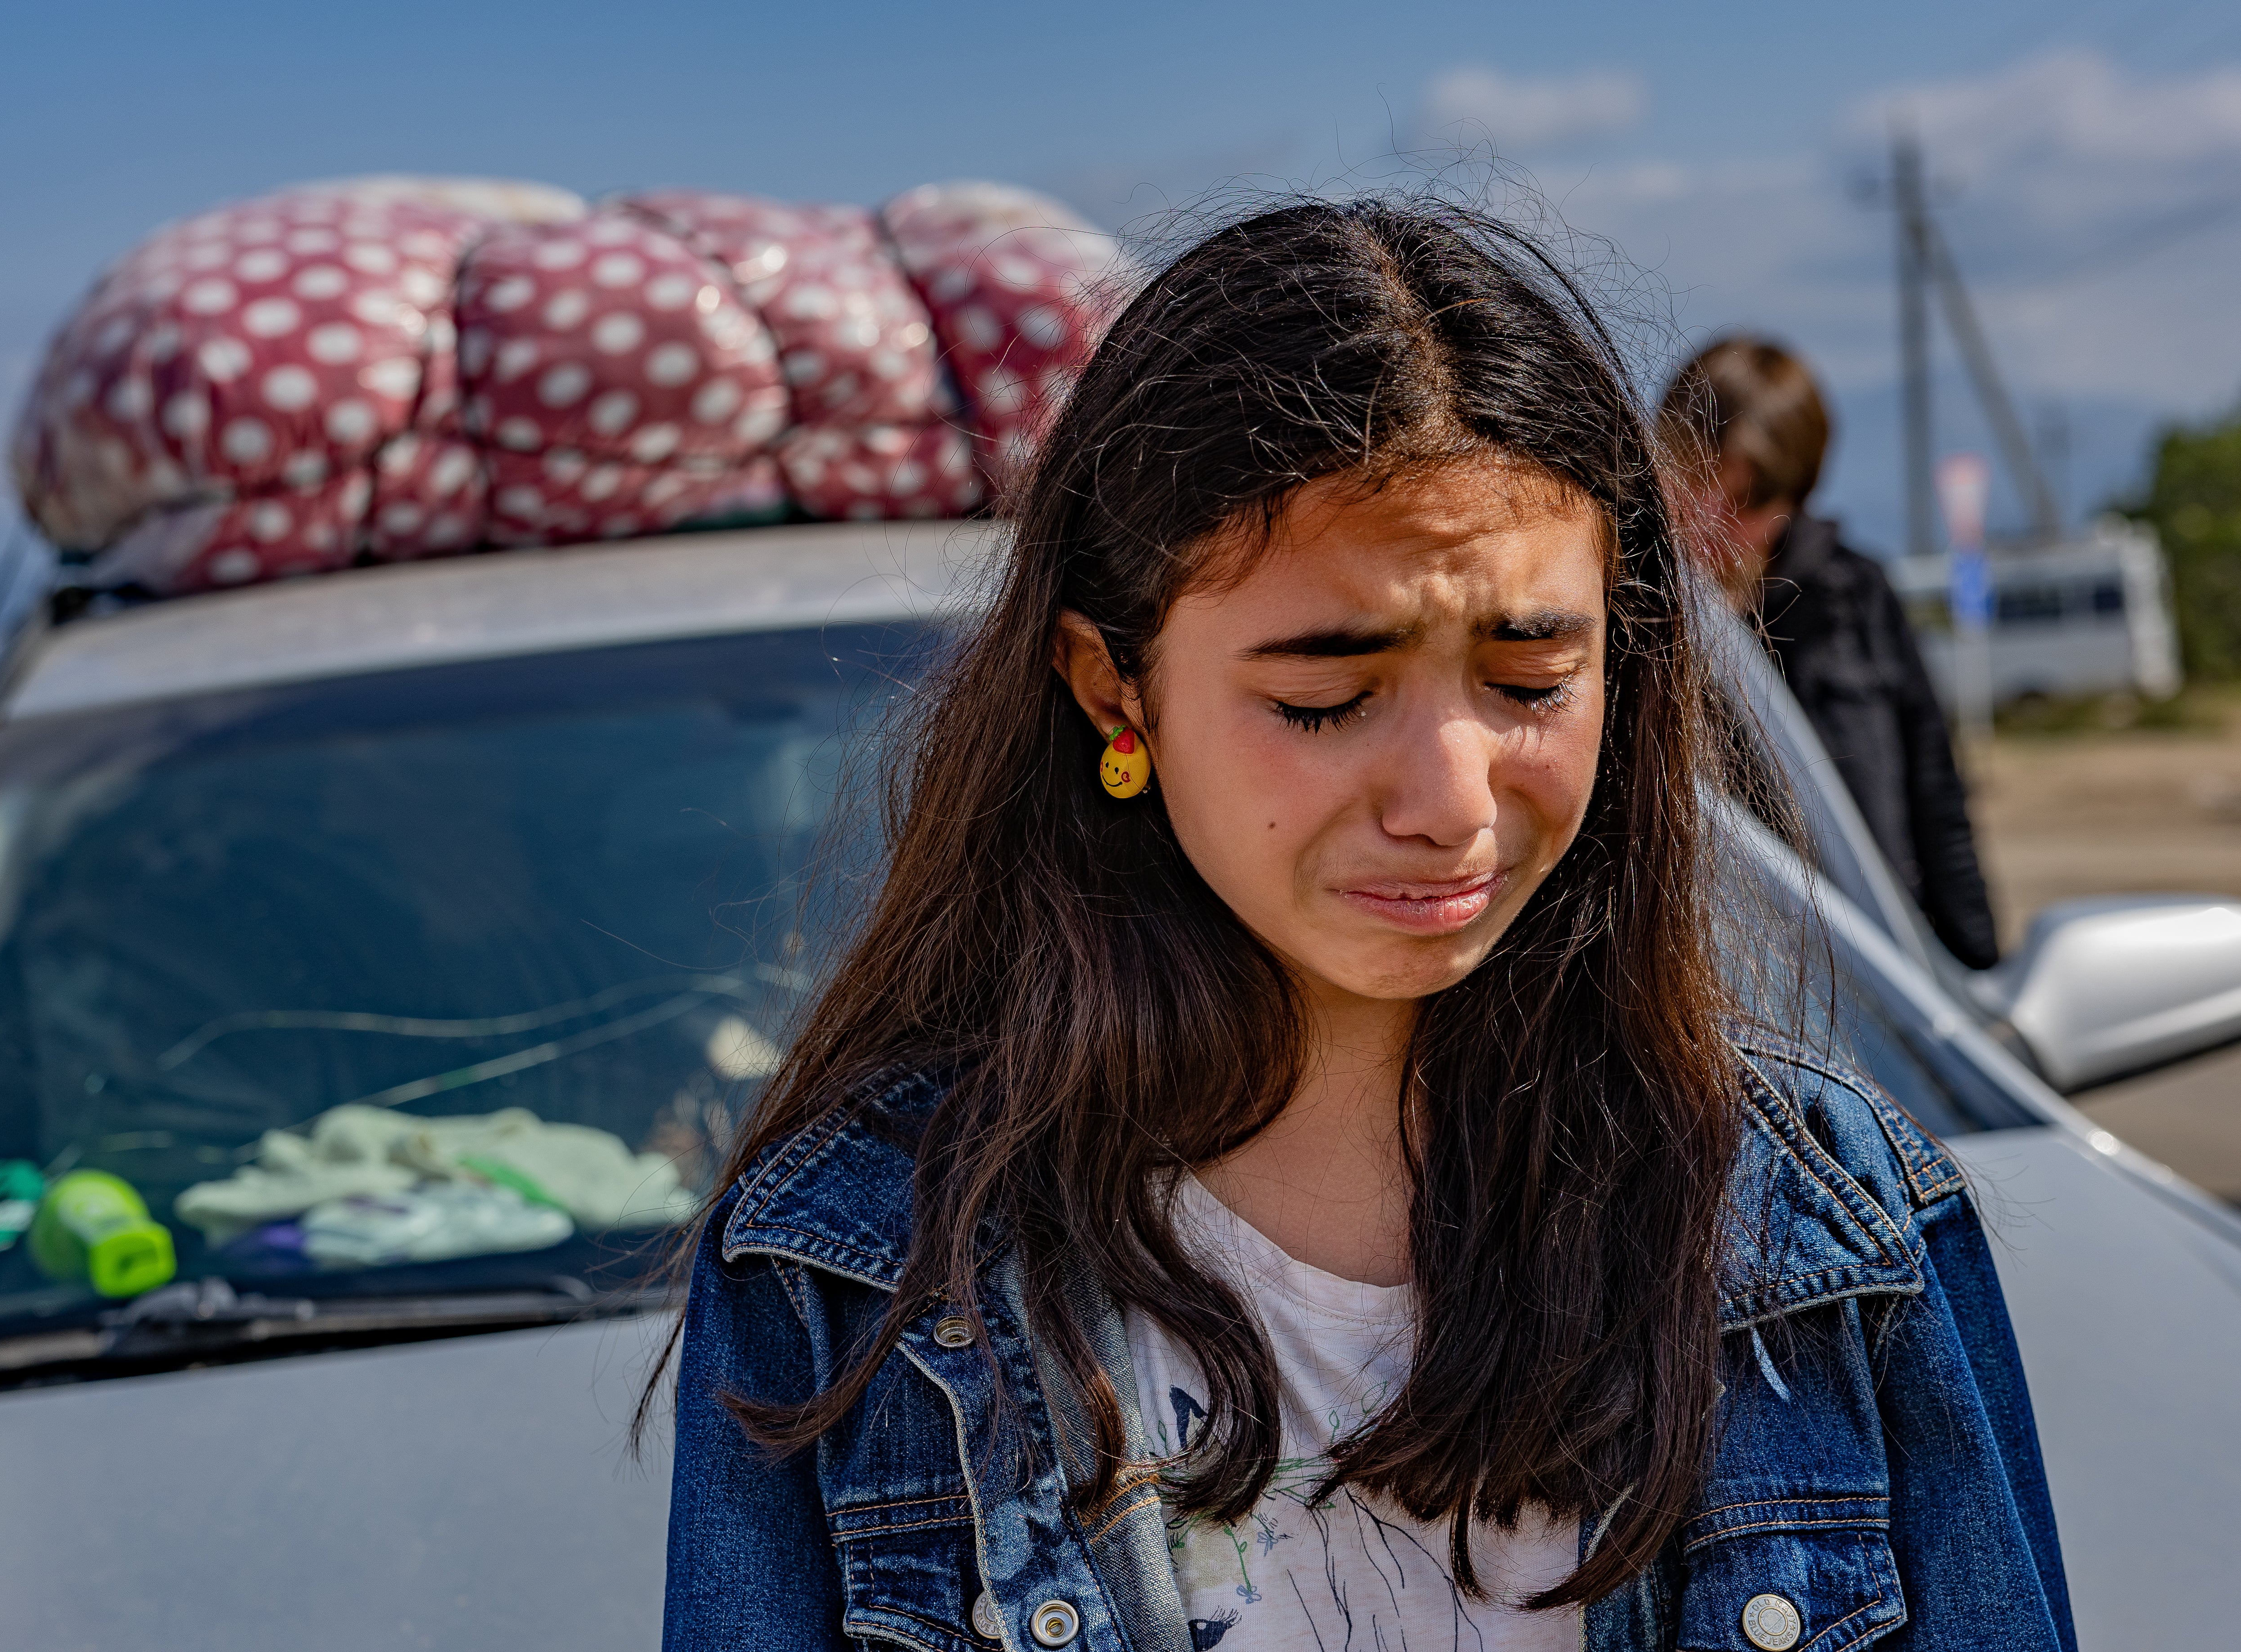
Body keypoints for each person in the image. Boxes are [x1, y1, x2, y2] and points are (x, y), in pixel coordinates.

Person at [660, 203, 2070, 1652]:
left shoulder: (1830, 1237)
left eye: (1529, 680)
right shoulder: (839, 1279)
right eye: (1323, 701)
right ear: (1110, 691)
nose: (1448, 802)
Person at [1659, 337, 2000, 970]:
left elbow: (1937, 803)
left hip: (1881, 982)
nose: (1708, 516)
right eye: (1696, 479)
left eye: (1744, 500)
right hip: (1714, 992)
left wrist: (1980, 989)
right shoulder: (1630, 613)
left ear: (1795, 491)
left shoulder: (1858, 596)